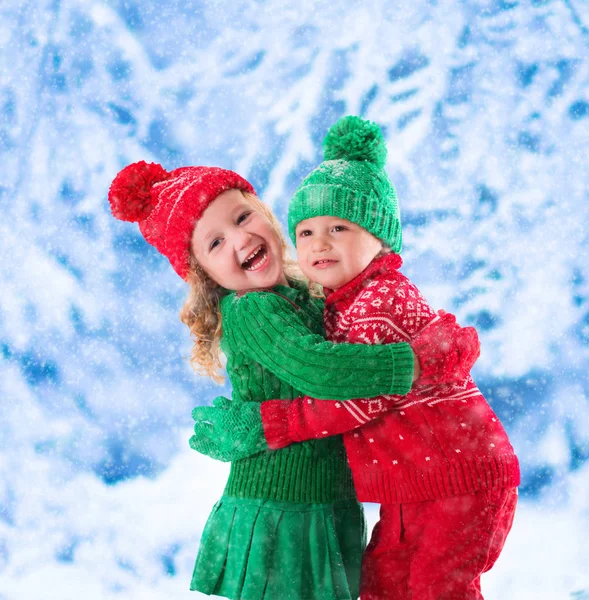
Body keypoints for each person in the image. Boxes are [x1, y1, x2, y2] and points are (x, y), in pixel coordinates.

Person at [193, 116, 520, 600]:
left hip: (459, 479)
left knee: (436, 587)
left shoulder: (380, 300)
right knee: (383, 582)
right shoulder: (335, 300)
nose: (319, 243)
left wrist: (271, 424)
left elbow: (360, 397)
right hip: (415, 481)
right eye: (305, 232)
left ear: (380, 237)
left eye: (339, 227)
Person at [107, 160, 420, 600]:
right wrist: (412, 364)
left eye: (242, 217)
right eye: (216, 242)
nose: (240, 238)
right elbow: (321, 369)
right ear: (204, 275)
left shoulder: (301, 294)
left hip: (323, 503)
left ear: (266, 214)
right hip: (282, 512)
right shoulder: (254, 309)